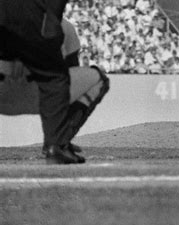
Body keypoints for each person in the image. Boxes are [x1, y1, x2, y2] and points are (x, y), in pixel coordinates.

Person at [0, 0, 99, 164]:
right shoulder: (63, 27)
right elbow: (66, 84)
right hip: (37, 93)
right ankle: (57, 143)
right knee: (85, 79)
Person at [0, 19, 110, 163]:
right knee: (99, 79)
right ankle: (58, 144)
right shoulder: (62, 25)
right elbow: (70, 72)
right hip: (42, 93)